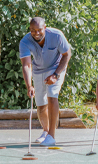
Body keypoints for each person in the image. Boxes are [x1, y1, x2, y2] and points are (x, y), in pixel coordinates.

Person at [20, 17, 71, 146]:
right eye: (33, 30)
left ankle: (51, 136)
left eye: (39, 30)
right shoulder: (25, 41)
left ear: (45, 28)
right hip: (38, 70)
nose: (36, 33)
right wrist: (29, 85)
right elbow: (26, 65)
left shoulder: (57, 35)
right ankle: (46, 131)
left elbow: (67, 54)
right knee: (41, 104)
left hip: (56, 67)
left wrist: (55, 74)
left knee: (52, 96)